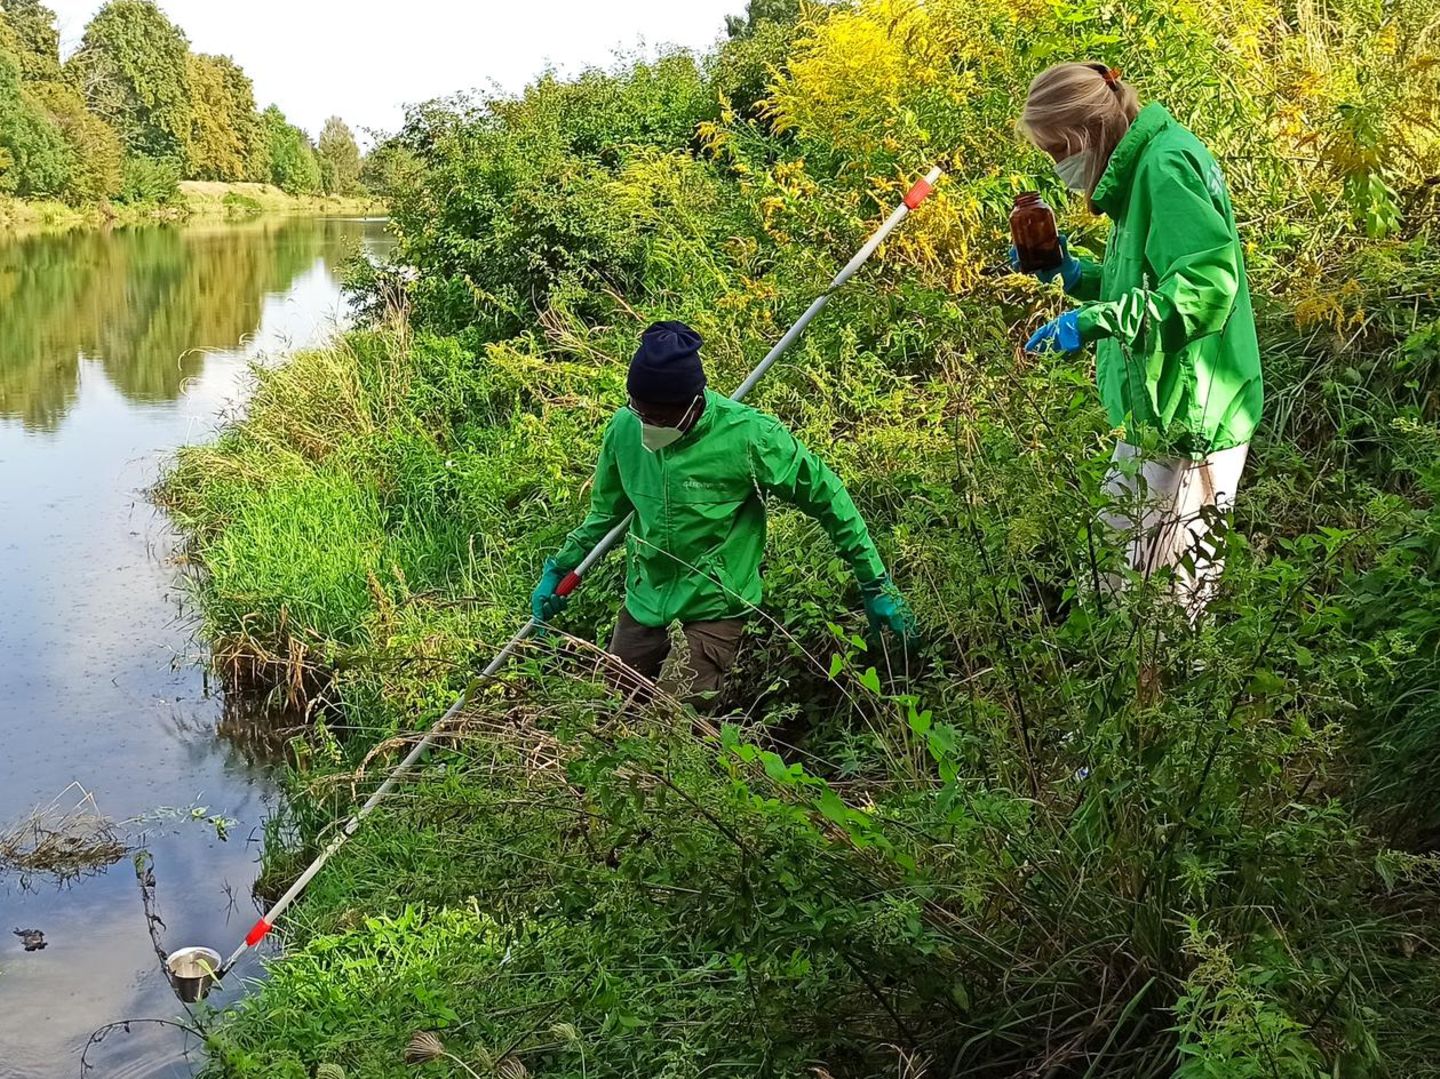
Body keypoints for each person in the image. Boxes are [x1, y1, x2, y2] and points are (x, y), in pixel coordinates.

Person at [531, 321, 916, 708]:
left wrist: (875, 582)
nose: (649, 427)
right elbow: (605, 514)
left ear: (692, 405)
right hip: (646, 597)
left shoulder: (750, 438)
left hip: (713, 604)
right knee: (605, 711)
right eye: (640, 412)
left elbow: (829, 498)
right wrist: (558, 569)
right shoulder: (624, 430)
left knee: (671, 729)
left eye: (660, 418)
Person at [1015, 62, 1263, 619]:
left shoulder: (1165, 167)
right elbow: (1149, 279)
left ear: (1085, 133)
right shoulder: (1142, 171)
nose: (1061, 168)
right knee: (1110, 577)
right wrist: (1077, 277)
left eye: (1059, 152)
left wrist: (1096, 322)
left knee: (1168, 604)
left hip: (1195, 412)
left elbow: (1205, 288)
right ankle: (1124, 696)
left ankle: (1175, 698)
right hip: (1160, 408)